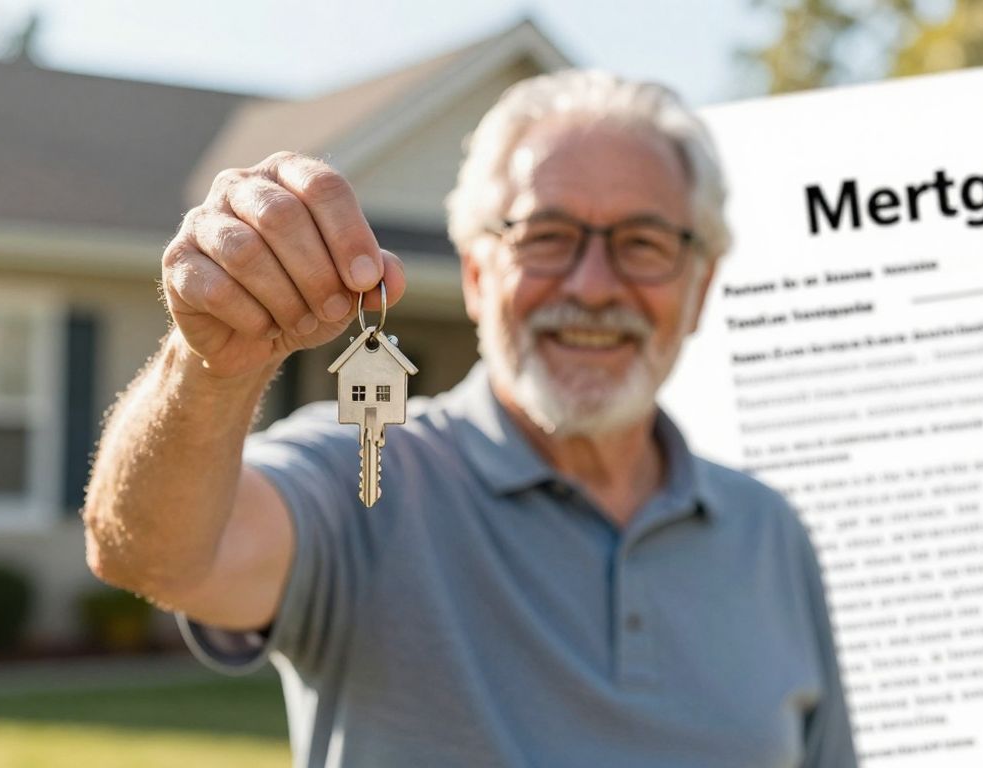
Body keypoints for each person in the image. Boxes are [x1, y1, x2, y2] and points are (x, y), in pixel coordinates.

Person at [84, 69, 857, 767]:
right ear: (478, 273)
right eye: (547, 236)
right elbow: (153, 556)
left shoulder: (772, 534)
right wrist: (212, 368)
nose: (592, 286)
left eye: (643, 244)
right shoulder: (366, 475)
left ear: (700, 286)